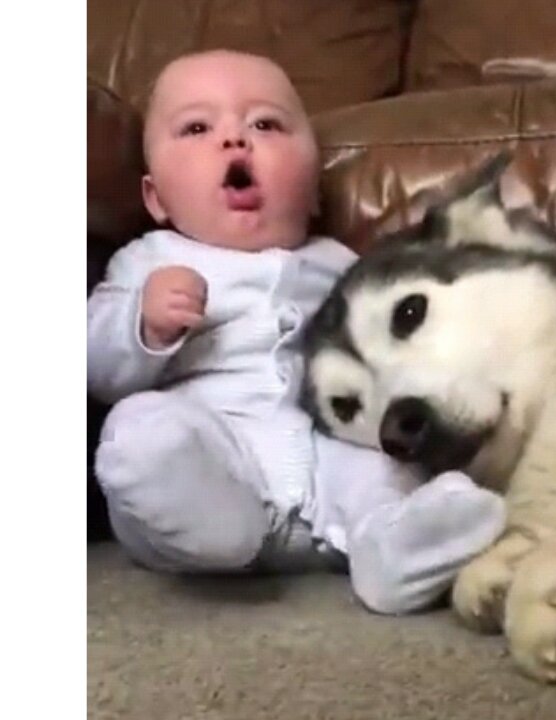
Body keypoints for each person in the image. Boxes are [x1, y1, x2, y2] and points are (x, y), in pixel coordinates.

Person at [87, 50, 505, 614]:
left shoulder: (341, 266)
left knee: (380, 464)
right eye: (196, 127)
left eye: (264, 124)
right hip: (213, 452)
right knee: (143, 434)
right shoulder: (148, 262)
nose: (234, 140)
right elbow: (92, 364)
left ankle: (392, 552)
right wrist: (143, 324)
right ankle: (214, 530)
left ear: (311, 191)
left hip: (326, 459)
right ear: (156, 198)